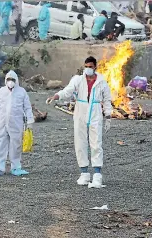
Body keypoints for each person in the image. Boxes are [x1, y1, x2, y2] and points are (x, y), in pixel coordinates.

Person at [46, 56, 112, 188]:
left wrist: (108, 116)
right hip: (81, 110)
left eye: (90, 67)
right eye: (86, 66)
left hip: (95, 111)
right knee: (80, 141)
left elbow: (107, 99)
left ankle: (97, 175)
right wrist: (56, 96)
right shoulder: (78, 79)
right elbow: (68, 91)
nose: (88, 69)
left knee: (96, 142)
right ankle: (84, 173)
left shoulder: (102, 81)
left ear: (95, 67)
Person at [0, 70, 34, 176]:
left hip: (16, 123)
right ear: (5, 80)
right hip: (2, 123)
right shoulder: (0, 92)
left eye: (12, 80)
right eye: (8, 79)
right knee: (0, 144)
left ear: (16, 80)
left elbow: (27, 107)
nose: (10, 82)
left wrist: (30, 121)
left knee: (16, 145)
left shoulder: (21, 92)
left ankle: (16, 167)